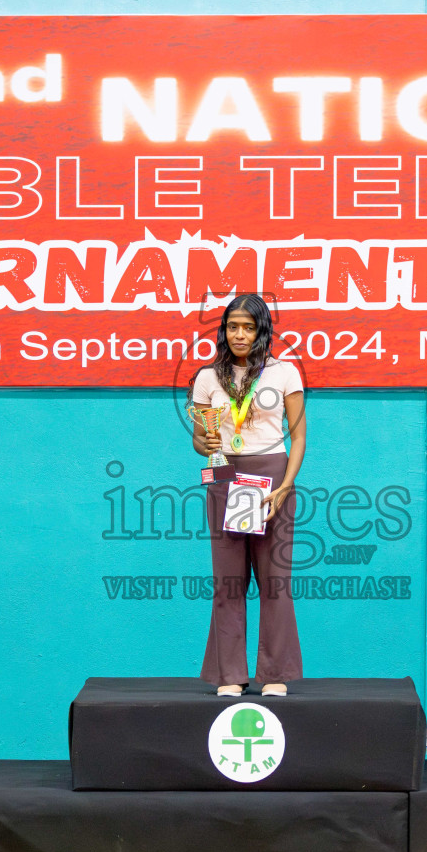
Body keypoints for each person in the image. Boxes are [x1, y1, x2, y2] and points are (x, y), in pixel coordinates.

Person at [188, 294, 306, 697]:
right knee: (228, 582)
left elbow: (300, 436)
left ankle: (274, 674)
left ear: (262, 331)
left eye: (248, 327)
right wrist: (203, 442)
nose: (239, 334)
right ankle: (230, 675)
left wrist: (285, 486)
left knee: (274, 580)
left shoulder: (285, 373)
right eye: (232, 326)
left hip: (272, 476)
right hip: (224, 474)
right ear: (224, 331)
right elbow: (201, 443)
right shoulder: (207, 377)